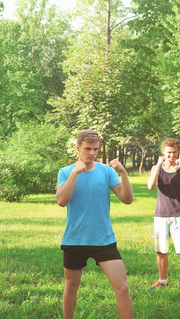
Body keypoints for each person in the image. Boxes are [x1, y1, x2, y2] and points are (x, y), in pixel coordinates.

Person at [56, 130, 134, 319]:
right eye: (87, 149)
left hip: (103, 239)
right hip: (75, 239)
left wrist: (123, 173)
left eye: (95, 149)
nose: (91, 153)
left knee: (122, 287)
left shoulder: (106, 171)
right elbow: (61, 201)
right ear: (78, 148)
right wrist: (75, 173)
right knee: (71, 286)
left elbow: (127, 199)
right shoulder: (66, 172)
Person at [146, 138, 180, 298]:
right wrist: (157, 166)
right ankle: (162, 280)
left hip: (179, 215)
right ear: (163, 152)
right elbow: (150, 186)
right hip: (160, 215)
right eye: (169, 152)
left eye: (174, 152)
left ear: (179, 153)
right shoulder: (157, 167)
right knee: (161, 251)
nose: (171, 155)